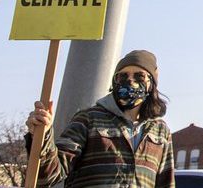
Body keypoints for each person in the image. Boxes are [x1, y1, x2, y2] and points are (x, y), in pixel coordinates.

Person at [25, 49, 175, 188]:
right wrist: (42, 136)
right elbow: (50, 175)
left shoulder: (160, 131)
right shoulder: (88, 119)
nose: (130, 81)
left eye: (139, 76)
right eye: (122, 76)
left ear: (151, 84)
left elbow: (166, 183)